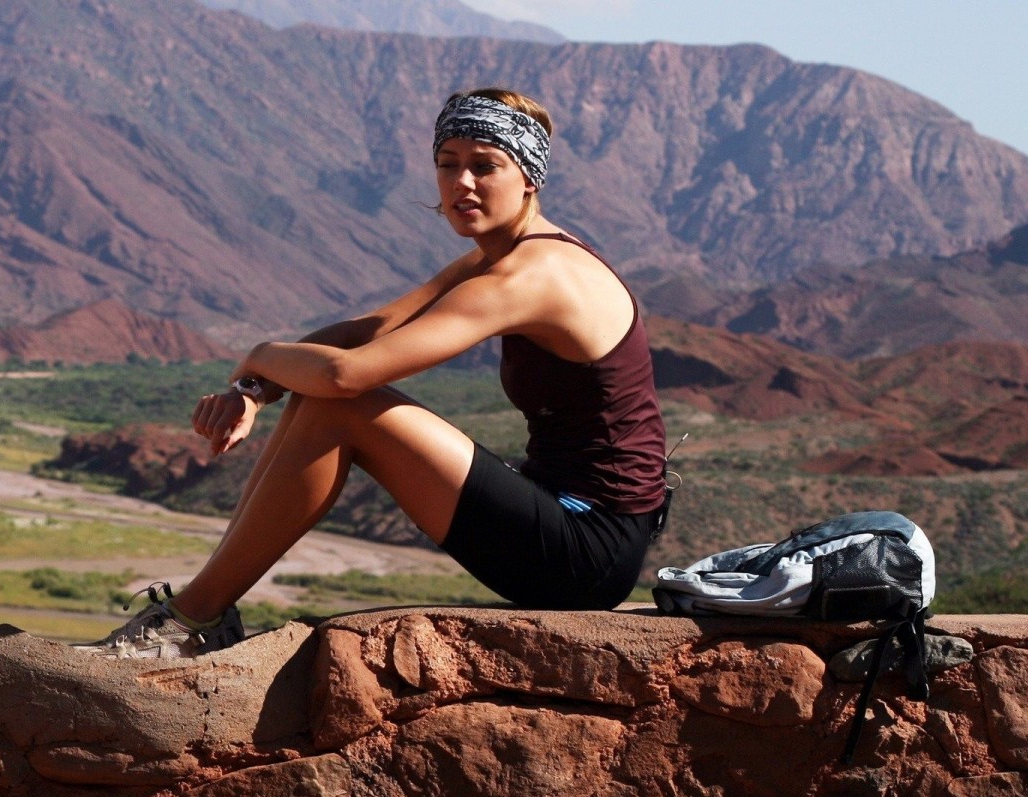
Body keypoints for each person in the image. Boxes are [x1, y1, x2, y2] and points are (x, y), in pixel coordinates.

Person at [81, 89, 668, 658]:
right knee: (319, 400)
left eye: (485, 165)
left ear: (529, 177)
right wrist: (254, 391)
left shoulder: (531, 276)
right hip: (561, 512)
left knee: (340, 404)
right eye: (448, 164)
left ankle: (191, 620)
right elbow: (368, 330)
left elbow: (344, 374)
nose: (462, 182)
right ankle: (200, 612)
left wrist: (261, 354)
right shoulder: (503, 255)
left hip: (588, 550)